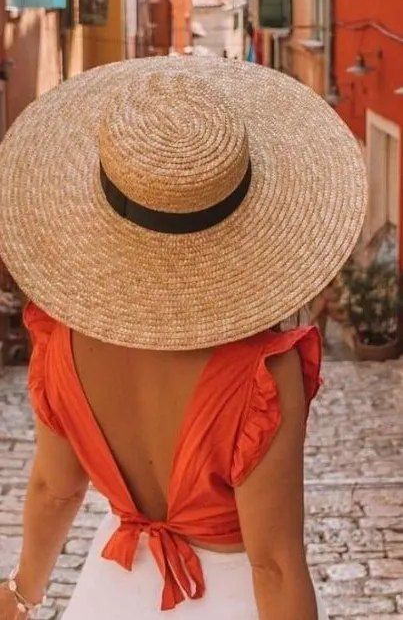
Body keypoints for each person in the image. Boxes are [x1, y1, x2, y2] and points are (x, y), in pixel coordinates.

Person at [0, 57, 367, 620]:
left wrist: (22, 594)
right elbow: (273, 564)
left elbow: (57, 488)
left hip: (110, 591)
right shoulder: (261, 376)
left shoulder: (63, 335)